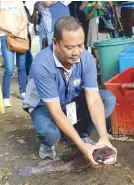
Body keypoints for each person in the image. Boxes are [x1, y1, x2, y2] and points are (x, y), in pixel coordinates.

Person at [23, 16, 117, 167]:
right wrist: (82, 147)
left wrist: (104, 137)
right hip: (45, 106)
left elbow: (93, 98)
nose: (76, 52)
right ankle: (48, 143)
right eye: (69, 47)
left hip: (69, 100)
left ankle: (82, 135)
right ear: (55, 43)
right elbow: (56, 111)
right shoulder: (42, 64)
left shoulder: (86, 58)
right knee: (50, 133)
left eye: (80, 45)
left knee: (107, 98)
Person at [0, 1, 28, 107]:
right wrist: (11, 30)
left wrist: (18, 30)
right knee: (10, 68)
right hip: (5, 36)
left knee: (22, 66)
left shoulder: (18, 1)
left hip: (20, 36)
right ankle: (6, 96)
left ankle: (23, 92)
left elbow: (25, 19)